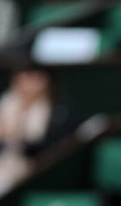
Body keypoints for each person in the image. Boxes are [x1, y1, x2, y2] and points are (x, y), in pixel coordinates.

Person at [0, 65, 77, 193]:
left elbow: (55, 147)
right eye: (21, 77)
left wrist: (20, 139)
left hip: (37, 171)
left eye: (32, 77)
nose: (26, 83)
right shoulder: (6, 104)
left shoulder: (57, 108)